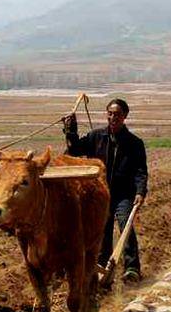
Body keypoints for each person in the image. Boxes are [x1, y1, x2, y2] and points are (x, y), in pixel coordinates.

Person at [63, 98, 148, 283]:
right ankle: (101, 267)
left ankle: (132, 267)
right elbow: (74, 150)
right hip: (100, 194)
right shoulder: (95, 137)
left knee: (125, 225)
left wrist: (140, 191)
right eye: (110, 113)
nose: (113, 117)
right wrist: (71, 129)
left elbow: (141, 171)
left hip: (123, 194)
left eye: (117, 114)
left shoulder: (135, 143)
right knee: (101, 230)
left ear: (124, 116)